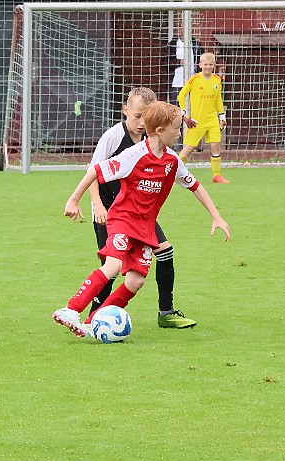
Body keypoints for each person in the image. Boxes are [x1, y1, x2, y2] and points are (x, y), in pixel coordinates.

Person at [52, 101, 230, 338]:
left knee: (135, 282)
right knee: (113, 265)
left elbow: (195, 186)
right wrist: (73, 200)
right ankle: (70, 309)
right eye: (177, 128)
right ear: (159, 130)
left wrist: (216, 216)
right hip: (123, 219)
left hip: (145, 228)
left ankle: (94, 321)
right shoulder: (134, 155)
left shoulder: (172, 161)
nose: (180, 133)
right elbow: (95, 170)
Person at [87, 87, 197, 329]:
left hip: (139, 213)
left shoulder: (151, 139)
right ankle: (94, 316)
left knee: (166, 252)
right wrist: (96, 204)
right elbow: (92, 171)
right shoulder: (114, 136)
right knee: (111, 268)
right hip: (110, 211)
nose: (141, 122)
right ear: (125, 110)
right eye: (136, 116)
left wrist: (184, 117)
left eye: (145, 117)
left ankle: (166, 312)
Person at [178, 52, 230, 184]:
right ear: (200, 65)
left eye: (210, 64)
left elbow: (218, 99)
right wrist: (184, 114)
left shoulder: (217, 80)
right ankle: (174, 174)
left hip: (212, 119)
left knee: (216, 145)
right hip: (197, 121)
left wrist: (222, 116)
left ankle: (216, 175)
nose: (208, 67)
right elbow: (181, 95)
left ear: (214, 65)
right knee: (189, 148)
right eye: (205, 64)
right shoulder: (194, 80)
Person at [168, 23, 203, 105]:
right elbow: (165, 62)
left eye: (187, 28)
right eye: (182, 28)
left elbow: (202, 62)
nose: (184, 30)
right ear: (178, 30)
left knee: (193, 109)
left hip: (193, 84)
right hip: (177, 83)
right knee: (177, 109)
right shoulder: (172, 45)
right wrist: (178, 62)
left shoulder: (196, 45)